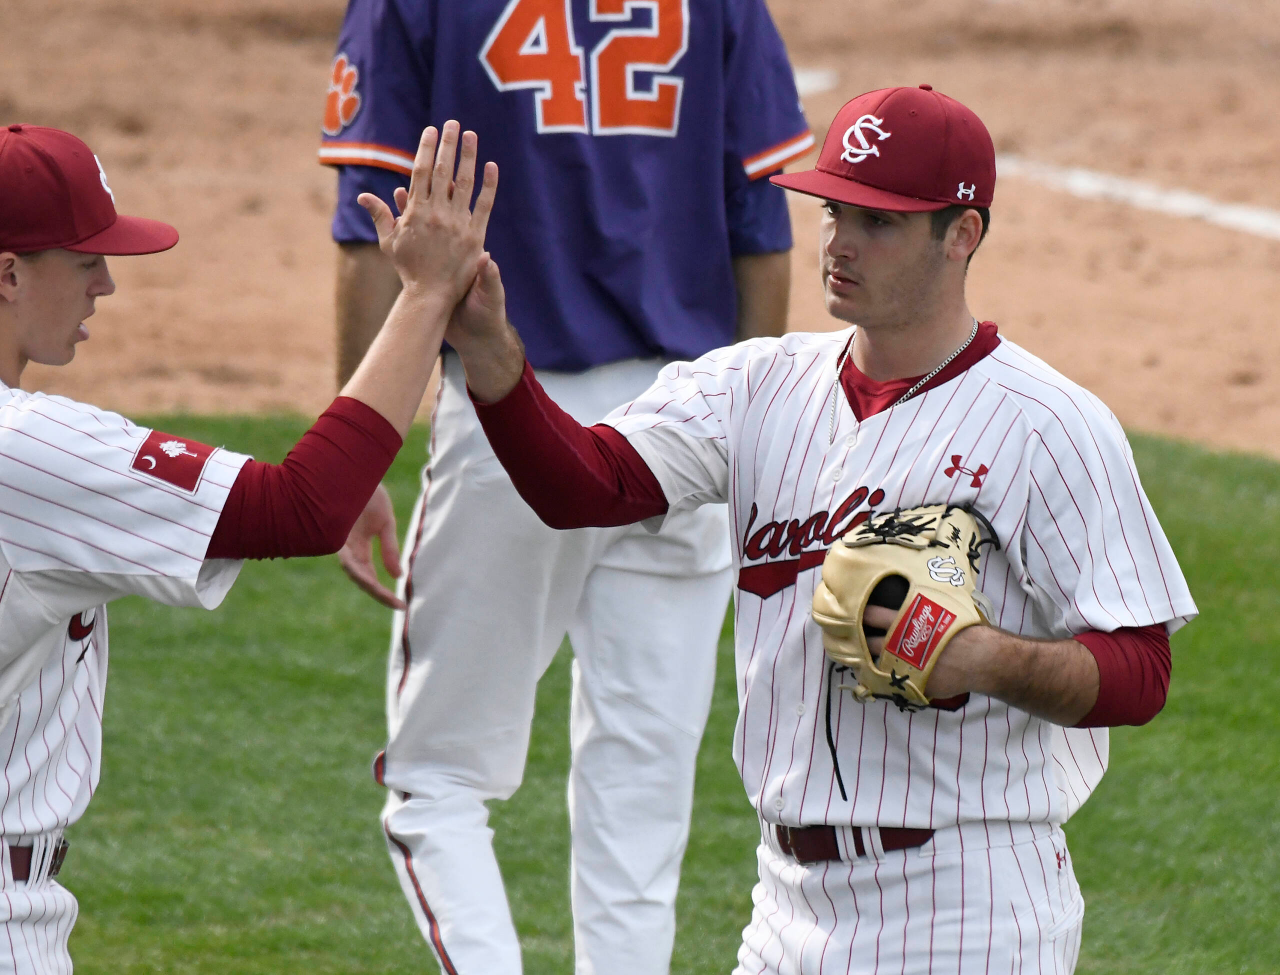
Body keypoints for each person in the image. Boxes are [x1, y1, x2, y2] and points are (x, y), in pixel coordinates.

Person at [423, 86, 1198, 972]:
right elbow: (585, 488)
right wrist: (489, 350)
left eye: (878, 222)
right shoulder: (755, 387)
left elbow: (1142, 672)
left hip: (968, 904)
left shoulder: (1049, 424)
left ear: (963, 234)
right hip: (786, 908)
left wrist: (981, 655)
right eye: (834, 211)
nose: (838, 244)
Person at [318, 1, 811, 971]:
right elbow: (762, 227)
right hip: (691, 428)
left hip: (514, 412)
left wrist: (356, 455)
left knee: (436, 785)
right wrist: (752, 430)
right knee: (643, 792)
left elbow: (373, 228)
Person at [0, 120, 494, 973]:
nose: (106, 284)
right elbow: (300, 507)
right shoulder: (27, 450)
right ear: (8, 272)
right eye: (85, 262)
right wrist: (423, 297)